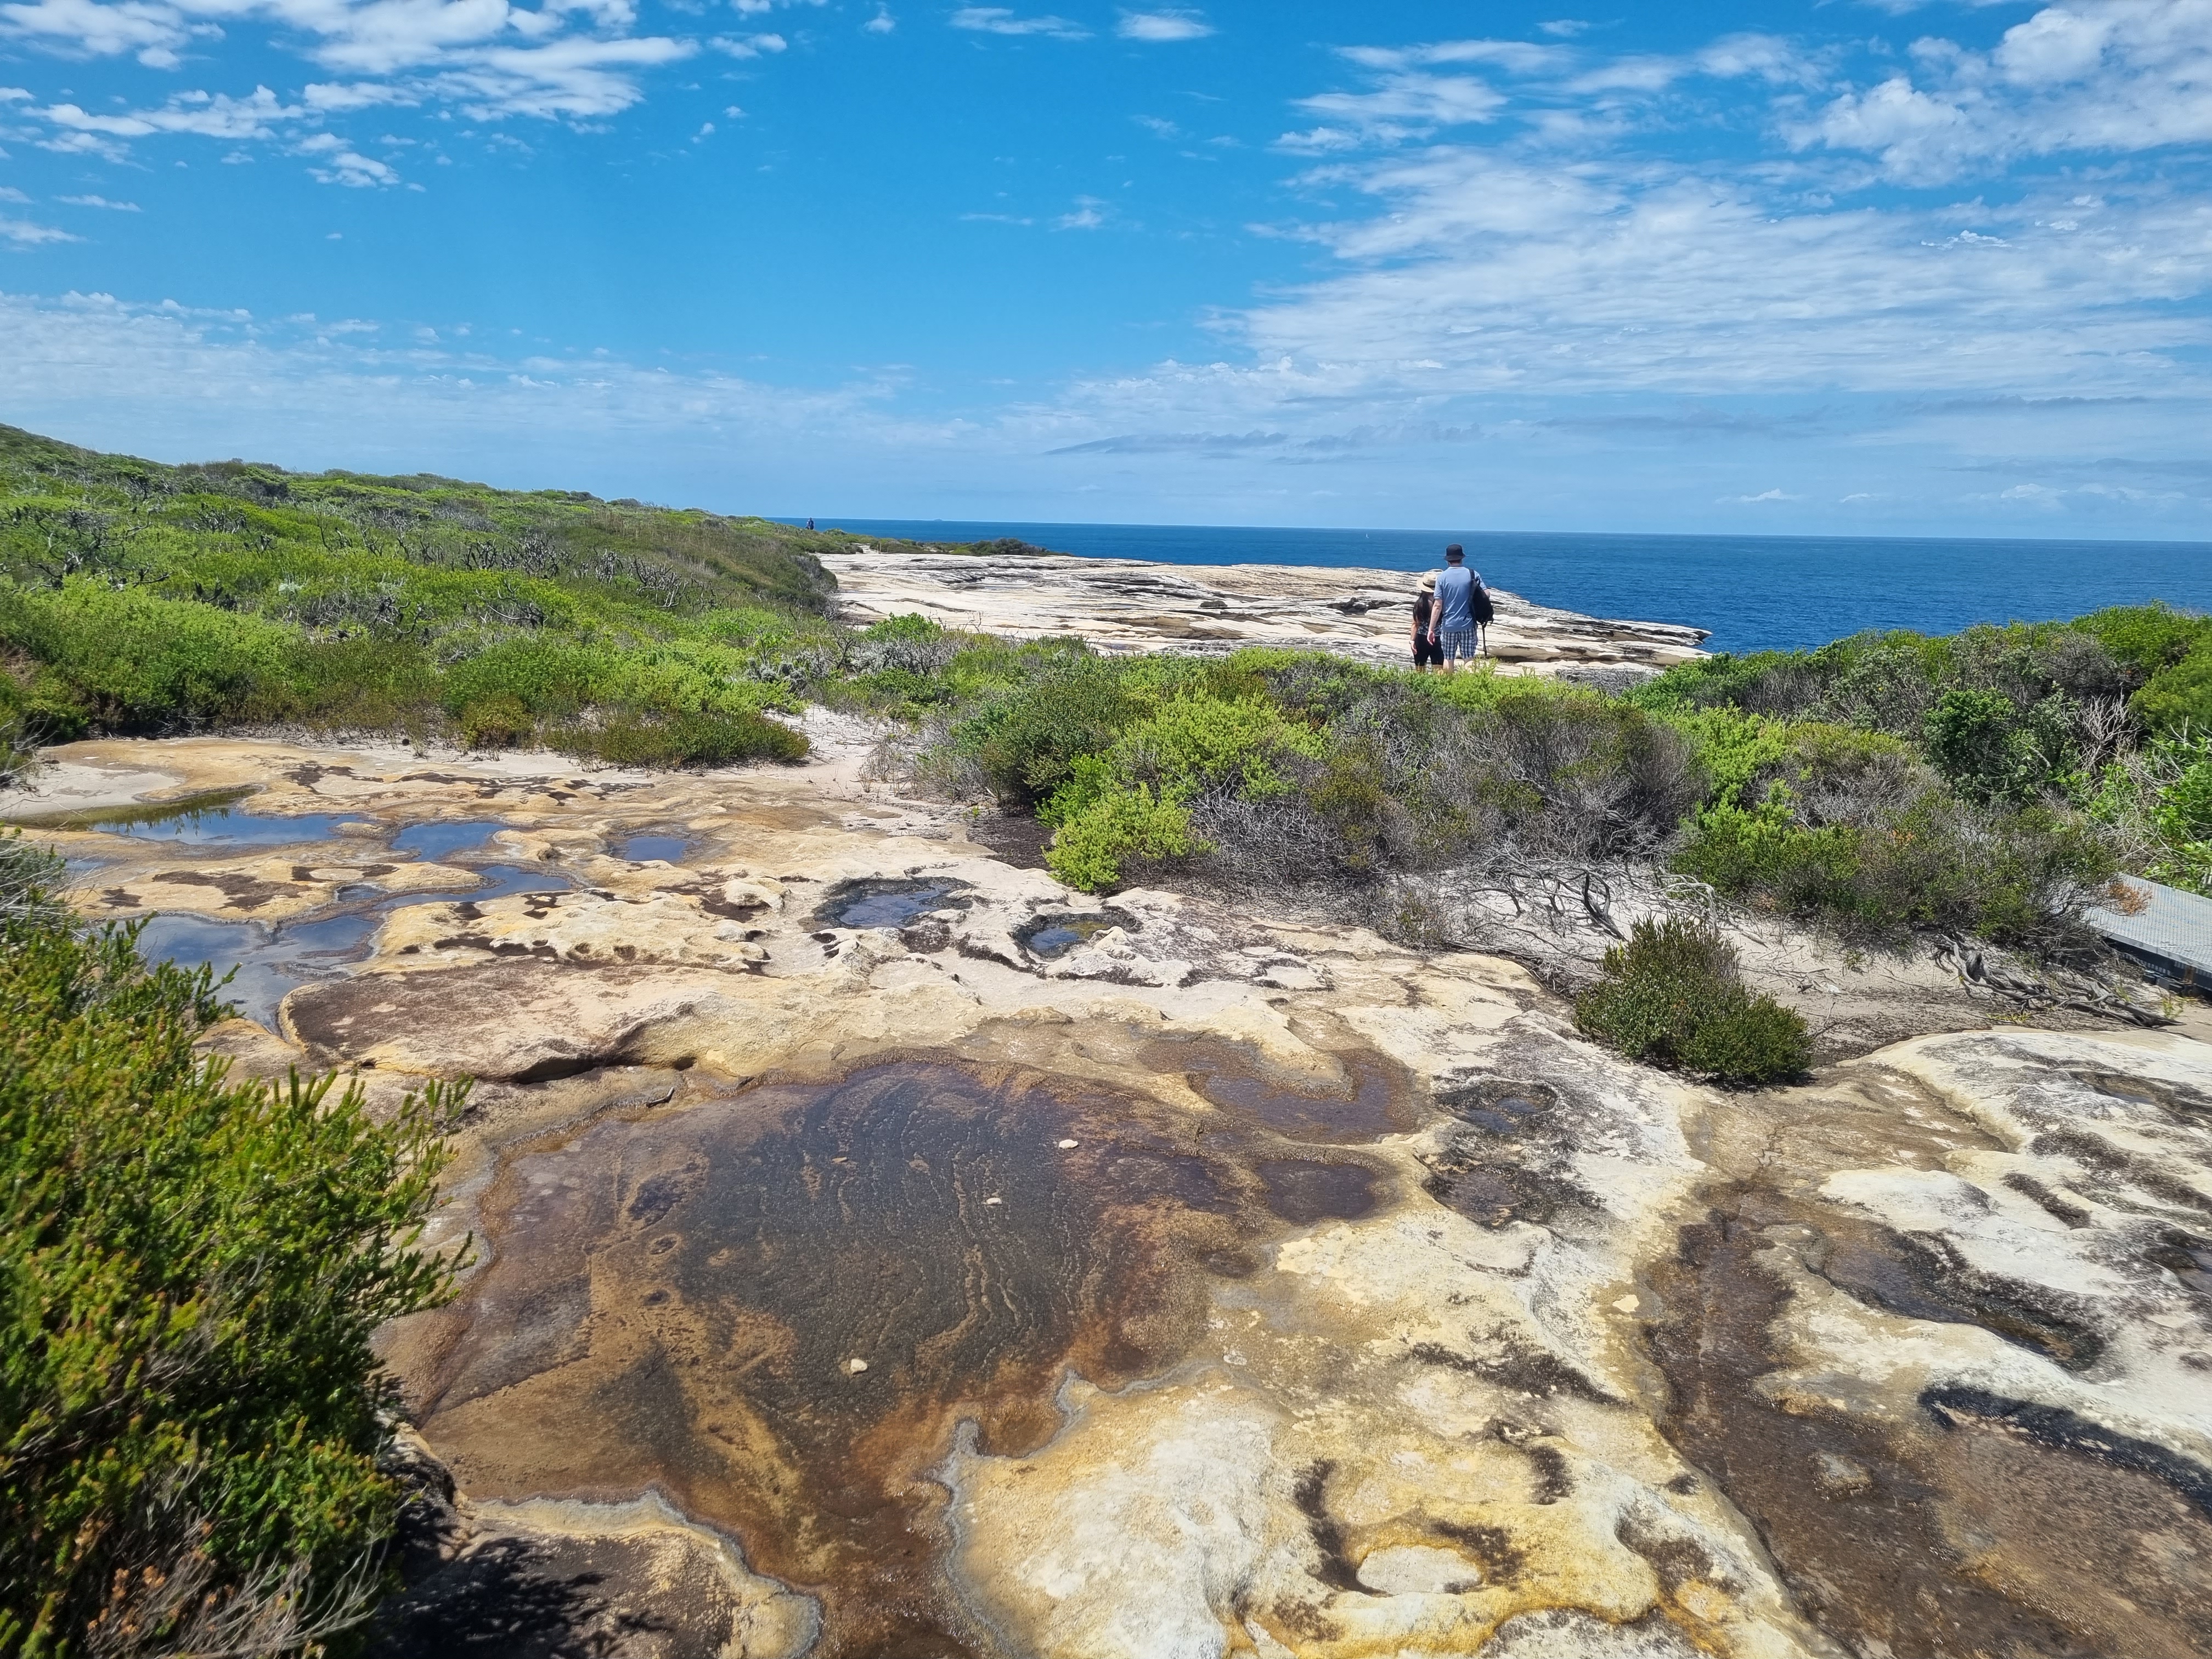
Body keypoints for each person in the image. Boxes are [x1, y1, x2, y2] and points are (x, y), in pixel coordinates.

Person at [1427, 543, 1485, 670]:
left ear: (1448, 560)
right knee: (1469, 658)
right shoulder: (1472, 574)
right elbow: (1486, 594)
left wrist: (1431, 629)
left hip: (1449, 625)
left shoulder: (1442, 578)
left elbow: (1438, 605)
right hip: (1468, 624)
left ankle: (1449, 681)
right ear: (1462, 558)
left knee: (1448, 658)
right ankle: (1470, 681)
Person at [1410, 572, 1442, 671]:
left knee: (1420, 668)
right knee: (1439, 669)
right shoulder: (1441, 603)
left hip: (1421, 638)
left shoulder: (1420, 604)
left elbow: (1415, 624)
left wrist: (1412, 640)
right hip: (1438, 638)